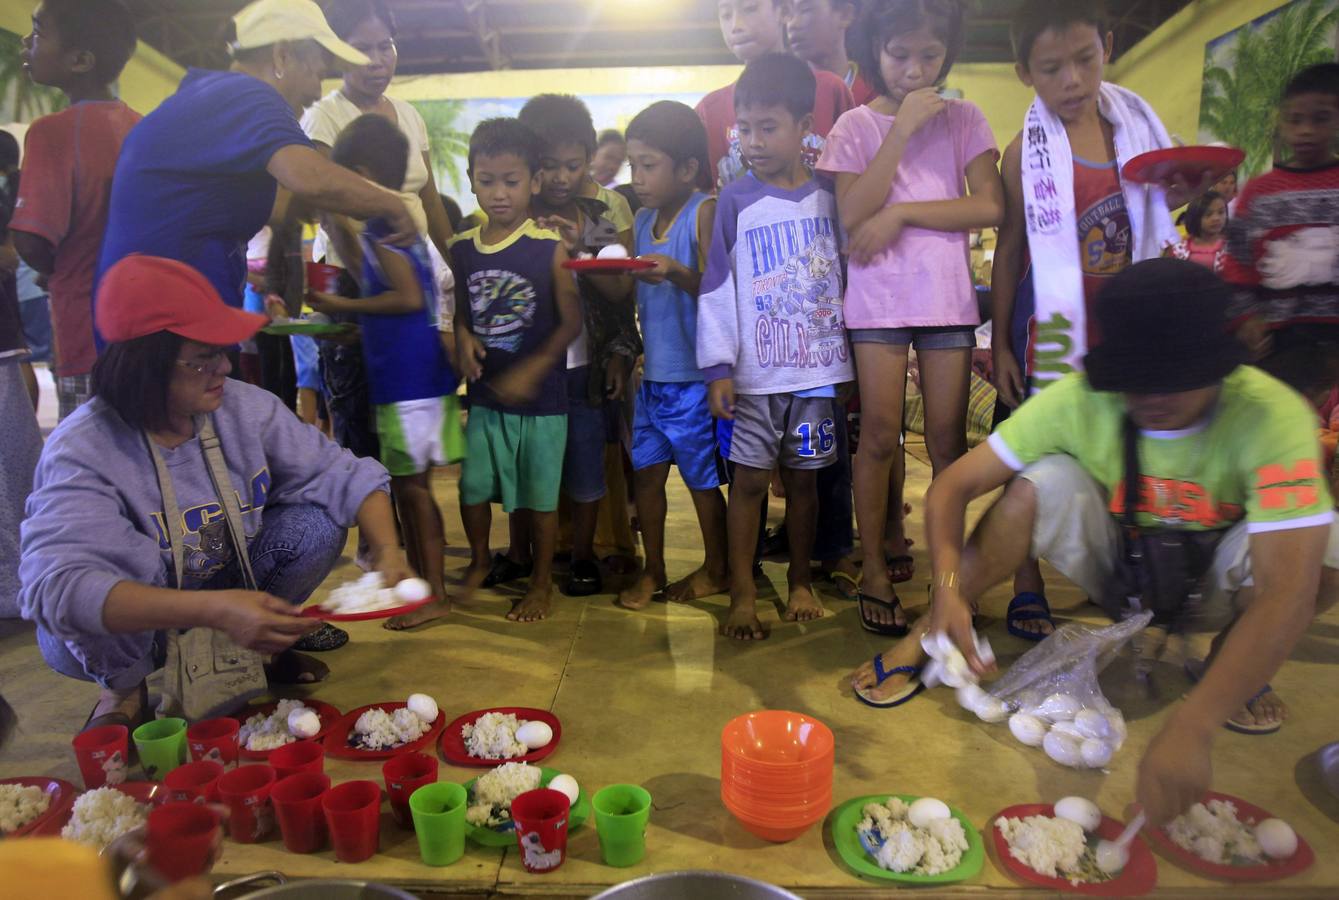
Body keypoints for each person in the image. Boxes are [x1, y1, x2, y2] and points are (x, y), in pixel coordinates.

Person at [850, 259, 1338, 821]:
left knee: (1324, 550)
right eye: (1137, 379)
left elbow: (1288, 590)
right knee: (1039, 485)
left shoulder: (1269, 414)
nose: (1153, 396)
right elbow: (951, 488)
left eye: (1174, 379)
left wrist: (1193, 726)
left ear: (1218, 368)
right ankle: (928, 634)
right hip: (1121, 570)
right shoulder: (1084, 397)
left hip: (1215, 584)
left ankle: (1234, 666)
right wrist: (948, 590)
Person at [19, 255, 409, 731]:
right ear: (148, 365)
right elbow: (57, 589)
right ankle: (123, 689)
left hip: (227, 584)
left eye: (222, 351)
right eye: (203, 357)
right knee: (78, 609)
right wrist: (216, 610)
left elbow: (346, 474)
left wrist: (387, 550)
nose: (224, 366)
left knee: (316, 524)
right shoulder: (84, 447)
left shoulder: (245, 409)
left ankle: (262, 645)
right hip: (147, 618)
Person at [989, 0, 1181, 644]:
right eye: (1051, 68)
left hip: (1130, 328)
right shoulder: (1025, 152)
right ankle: (1026, 582)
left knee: (1127, 451)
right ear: (1024, 74)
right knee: (1035, 451)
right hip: (1053, 329)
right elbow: (1011, 250)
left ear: (1107, 46)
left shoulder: (1143, 132)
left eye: (1084, 59)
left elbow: (1165, 215)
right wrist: (1004, 342)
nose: (1071, 79)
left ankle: (1132, 577)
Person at [817, 0, 1001, 635]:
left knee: (949, 443)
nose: (917, 69)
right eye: (900, 55)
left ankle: (951, 579)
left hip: (948, 300)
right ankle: (873, 567)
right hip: (878, 304)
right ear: (876, 53)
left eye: (931, 54)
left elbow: (990, 207)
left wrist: (900, 215)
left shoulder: (965, 118)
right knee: (878, 437)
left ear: (948, 51)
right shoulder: (854, 126)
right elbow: (850, 214)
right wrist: (899, 132)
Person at [97, 0, 417, 310]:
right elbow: (310, 179)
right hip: (164, 312)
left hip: (155, 300)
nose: (316, 93)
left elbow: (280, 206)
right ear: (282, 56)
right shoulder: (247, 94)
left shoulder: (210, 95)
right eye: (317, 74)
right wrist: (392, 204)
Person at [698, 53, 854, 640]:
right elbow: (717, 284)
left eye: (769, 127)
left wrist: (848, 363)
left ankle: (801, 582)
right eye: (744, 127)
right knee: (749, 485)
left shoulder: (830, 197)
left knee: (808, 483)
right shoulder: (734, 201)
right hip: (755, 378)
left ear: (804, 125)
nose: (753, 141)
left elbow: (843, 281)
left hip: (816, 377)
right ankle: (743, 592)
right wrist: (718, 366)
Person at [411, 118, 581, 627]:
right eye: (487, 181)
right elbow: (462, 309)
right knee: (474, 488)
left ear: (533, 181)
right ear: (470, 179)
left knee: (538, 499)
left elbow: (571, 319)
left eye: (511, 181)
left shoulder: (549, 246)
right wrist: (462, 335)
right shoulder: (463, 247)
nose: (499, 193)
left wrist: (533, 370)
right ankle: (483, 560)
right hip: (485, 395)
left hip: (543, 401)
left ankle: (540, 582)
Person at [309, 114, 462, 629]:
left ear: (361, 174)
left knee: (415, 492)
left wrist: (345, 306)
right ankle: (424, 585)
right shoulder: (386, 227)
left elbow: (407, 297)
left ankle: (435, 595)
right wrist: (359, 329)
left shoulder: (388, 233)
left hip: (411, 386)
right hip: (408, 379)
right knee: (412, 489)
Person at [510, 93, 640, 598]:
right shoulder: (512, 212)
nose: (561, 178)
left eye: (573, 165)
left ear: (588, 161)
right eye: (548, 166)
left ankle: (584, 555)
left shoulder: (595, 214)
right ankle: (525, 556)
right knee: (526, 470)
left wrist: (580, 248)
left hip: (583, 364)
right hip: (527, 365)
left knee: (588, 465)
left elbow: (620, 291)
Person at [615, 100, 729, 611]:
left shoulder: (702, 210)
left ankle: (718, 568)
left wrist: (677, 272)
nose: (637, 177)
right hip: (654, 378)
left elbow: (719, 289)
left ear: (686, 168)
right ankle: (653, 569)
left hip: (694, 380)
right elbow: (633, 297)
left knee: (703, 483)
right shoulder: (640, 219)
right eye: (632, 165)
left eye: (649, 165)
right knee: (647, 478)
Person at [8, 0, 139, 421]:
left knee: (88, 470)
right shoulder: (142, 126)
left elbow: (32, 240)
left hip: (85, 333)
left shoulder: (52, 132)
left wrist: (54, 265)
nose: (27, 43)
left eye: (39, 32)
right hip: (142, 328)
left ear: (81, 60)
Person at [302, 0, 457, 267]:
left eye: (385, 47)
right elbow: (333, 217)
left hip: (413, 270)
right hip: (352, 278)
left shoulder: (410, 115)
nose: (376, 61)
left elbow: (431, 204)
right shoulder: (323, 117)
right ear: (337, 53)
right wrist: (372, 283)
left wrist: (458, 271)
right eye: (361, 49)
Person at [1222, 63, 1339, 368]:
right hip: (1279, 346)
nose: (1306, 130)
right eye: (1294, 120)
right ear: (1281, 123)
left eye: (1321, 119)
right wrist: (1246, 318)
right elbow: (1236, 264)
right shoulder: (1260, 192)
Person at [698, 0, 855, 189]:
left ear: (784, 10)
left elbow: (856, 177)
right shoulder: (709, 111)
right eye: (725, 15)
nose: (736, 25)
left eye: (750, 9)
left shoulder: (829, 90)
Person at [787, 0, 877, 104]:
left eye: (806, 10)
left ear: (845, 15)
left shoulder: (877, 95)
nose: (792, 24)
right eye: (788, 12)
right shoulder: (784, 99)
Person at [1167, 190, 1227, 272]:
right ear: (1195, 217)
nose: (1216, 218)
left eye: (1221, 212)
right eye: (1208, 214)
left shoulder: (1231, 248)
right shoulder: (1179, 249)